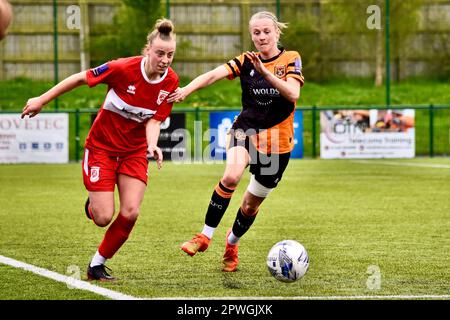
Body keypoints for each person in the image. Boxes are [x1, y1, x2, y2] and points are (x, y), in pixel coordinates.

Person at [21, 19, 179, 281]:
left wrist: (152, 144)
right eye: (160, 53)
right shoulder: (122, 68)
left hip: (134, 151)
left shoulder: (171, 81)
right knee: (103, 216)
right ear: (147, 50)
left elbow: (155, 120)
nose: (165, 59)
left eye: (170, 54)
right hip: (102, 149)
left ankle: (97, 264)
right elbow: (79, 78)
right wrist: (42, 100)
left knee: (131, 212)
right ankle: (94, 206)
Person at [168, 11, 304, 272]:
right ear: (251, 35)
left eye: (266, 31)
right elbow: (212, 75)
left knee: (250, 206)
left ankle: (232, 243)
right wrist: (186, 89)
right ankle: (204, 236)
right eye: (256, 32)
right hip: (246, 131)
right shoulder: (245, 61)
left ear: (277, 32)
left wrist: (266, 74)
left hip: (278, 144)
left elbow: (292, 92)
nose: (261, 37)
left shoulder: (291, 58)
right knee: (230, 177)